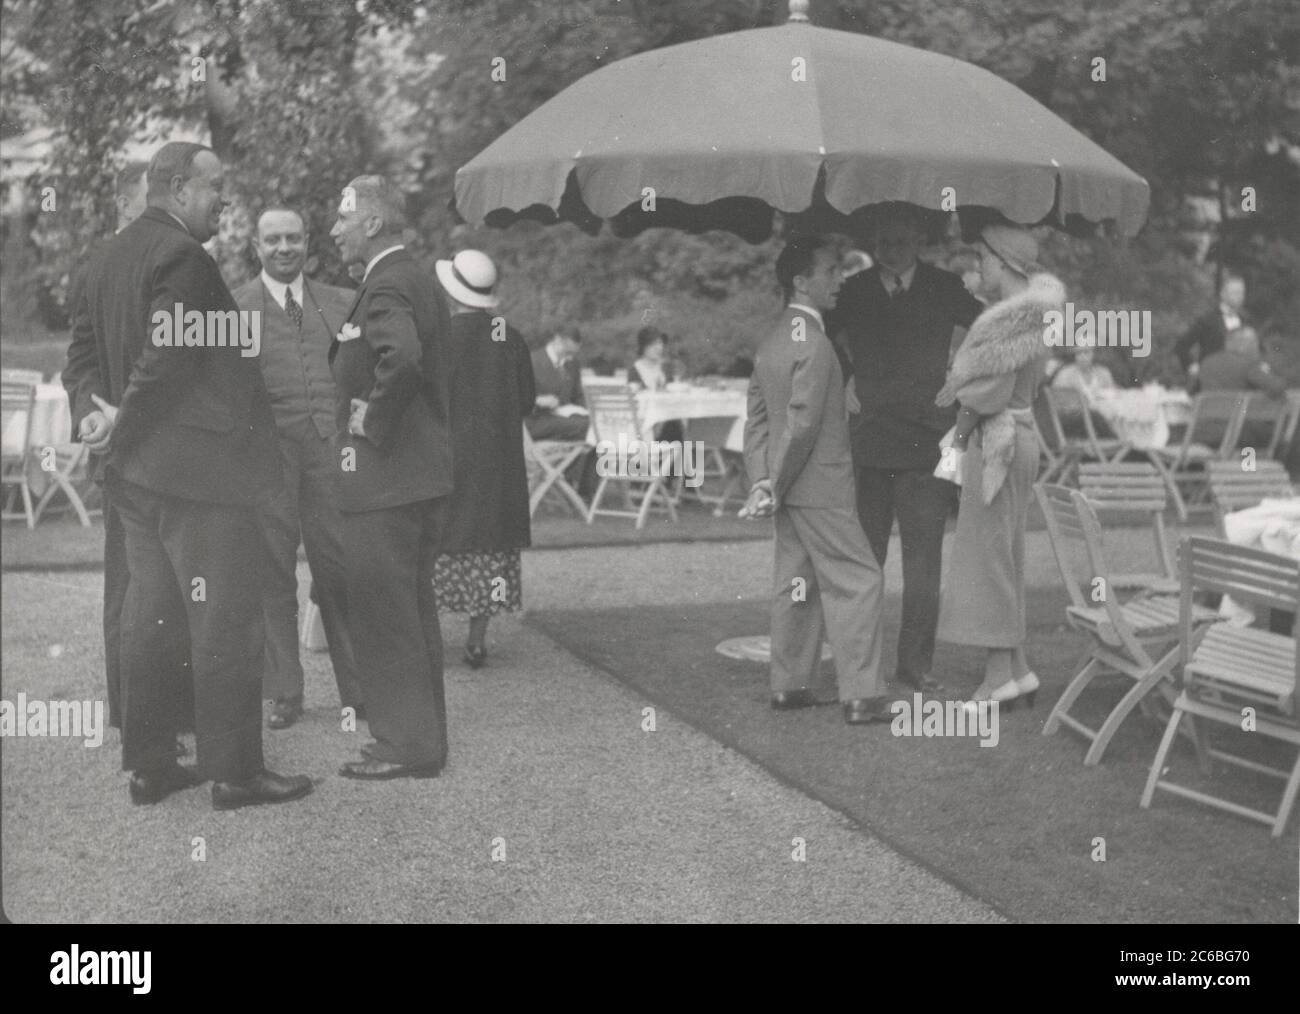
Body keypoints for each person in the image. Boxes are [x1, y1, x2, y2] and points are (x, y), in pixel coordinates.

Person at [73, 141, 310, 809]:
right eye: (215, 188)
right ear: (177, 188)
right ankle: (236, 773)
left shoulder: (103, 258)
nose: (225, 200)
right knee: (226, 619)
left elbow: (81, 359)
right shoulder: (185, 257)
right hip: (198, 476)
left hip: (133, 479)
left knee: (149, 619)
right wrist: (119, 417)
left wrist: (95, 416)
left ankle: (151, 766)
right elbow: (171, 350)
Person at [827, 202, 983, 695]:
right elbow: (820, 333)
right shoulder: (852, 290)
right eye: (881, 242)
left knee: (923, 565)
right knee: (863, 560)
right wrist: (846, 377)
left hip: (926, 441)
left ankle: (914, 667)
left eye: (898, 241)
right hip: (870, 438)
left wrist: (962, 377)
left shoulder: (944, 287)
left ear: (918, 241)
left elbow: (988, 328)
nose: (889, 251)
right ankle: (861, 663)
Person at [329, 174, 455, 781]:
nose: (334, 230)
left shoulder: (388, 282)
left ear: (372, 224)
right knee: (409, 610)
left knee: (387, 614)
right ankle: (422, 742)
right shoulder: (410, 276)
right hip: (411, 479)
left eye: (343, 219)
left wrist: (372, 417)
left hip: (387, 481)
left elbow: (400, 357)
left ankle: (406, 745)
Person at [64, 160, 193, 744]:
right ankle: (135, 719)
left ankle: (171, 720)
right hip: (123, 454)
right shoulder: (97, 267)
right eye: (151, 201)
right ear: (124, 205)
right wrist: (89, 412)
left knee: (177, 590)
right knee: (133, 591)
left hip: (179, 457)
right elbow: (81, 359)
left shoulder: (174, 259)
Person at [743, 236, 890, 726]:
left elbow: (759, 422)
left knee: (797, 585)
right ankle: (863, 695)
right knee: (859, 580)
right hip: (821, 488)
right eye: (830, 270)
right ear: (801, 282)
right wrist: (774, 485)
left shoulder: (770, 342)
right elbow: (803, 423)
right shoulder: (817, 344)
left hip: (790, 491)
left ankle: (791, 686)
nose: (839, 279)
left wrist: (763, 481)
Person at [233, 207, 363, 729]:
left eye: (293, 238)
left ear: (308, 242)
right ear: (255, 246)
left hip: (330, 452)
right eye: (273, 240)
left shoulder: (339, 301)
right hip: (270, 460)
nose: (284, 247)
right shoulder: (236, 307)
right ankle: (285, 692)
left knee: (339, 569)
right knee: (273, 573)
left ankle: (357, 689)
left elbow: (362, 371)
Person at [935, 224, 1063, 713]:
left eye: (982, 259)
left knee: (987, 559)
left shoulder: (1004, 321)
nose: (977, 268)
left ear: (1004, 263)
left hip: (998, 444)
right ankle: (1017, 669)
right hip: (1022, 438)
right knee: (1005, 554)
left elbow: (985, 396)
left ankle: (995, 680)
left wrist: (957, 438)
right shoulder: (1035, 315)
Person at [432, 250, 535, 668]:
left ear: (451, 291)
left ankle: (430, 636)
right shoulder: (509, 337)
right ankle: (477, 639)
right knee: (491, 550)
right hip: (498, 466)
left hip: (450, 458)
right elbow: (526, 400)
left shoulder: (439, 339)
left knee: (441, 547)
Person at [1199, 325, 1290, 449]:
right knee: (1283, 437)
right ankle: (1250, 467)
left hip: (1206, 430)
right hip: (1241, 432)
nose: (1256, 347)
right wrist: (1265, 369)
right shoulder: (1248, 365)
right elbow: (1278, 386)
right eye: (1253, 342)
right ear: (1242, 345)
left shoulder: (1206, 362)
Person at [1175, 272, 1248, 390]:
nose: (1240, 296)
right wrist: (1192, 367)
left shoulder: (1245, 320)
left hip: (1239, 384)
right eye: (1235, 292)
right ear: (1223, 294)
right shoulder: (1207, 320)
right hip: (1211, 383)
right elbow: (1182, 346)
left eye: (1242, 292)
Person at [527, 326, 589, 441]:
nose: (570, 357)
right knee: (582, 426)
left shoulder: (572, 363)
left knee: (591, 423)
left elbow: (578, 396)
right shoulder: (532, 361)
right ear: (557, 340)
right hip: (536, 419)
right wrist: (538, 400)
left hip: (565, 417)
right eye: (568, 352)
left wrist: (591, 410)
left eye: (574, 353)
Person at [1051, 347, 1115, 402]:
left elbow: (1113, 395)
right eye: (1078, 353)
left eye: (1086, 352)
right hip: (1076, 414)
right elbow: (1058, 399)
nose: (1082, 357)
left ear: (1094, 354)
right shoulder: (1065, 374)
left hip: (1104, 412)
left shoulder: (1103, 372)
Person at [626, 326, 676, 391]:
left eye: (660, 343)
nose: (658, 348)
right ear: (643, 346)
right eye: (653, 344)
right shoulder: (635, 370)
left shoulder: (666, 367)